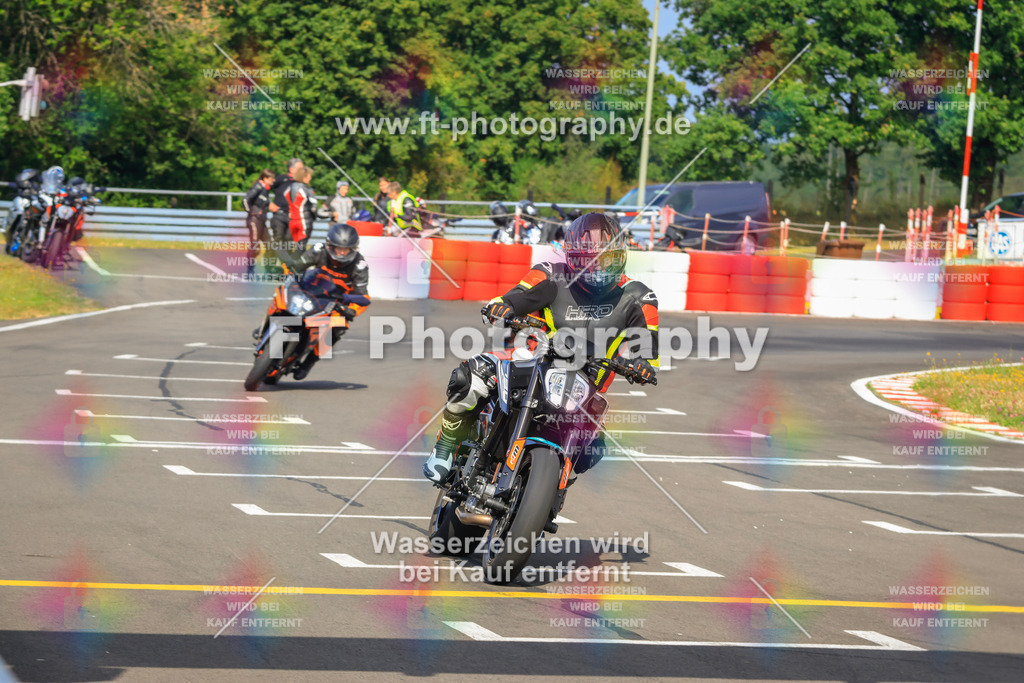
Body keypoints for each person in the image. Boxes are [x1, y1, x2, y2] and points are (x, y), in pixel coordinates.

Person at [422, 212, 659, 484]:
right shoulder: (550, 273)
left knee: (593, 450)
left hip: (588, 385)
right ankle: (446, 447)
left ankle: (548, 496)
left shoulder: (640, 296)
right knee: (471, 376)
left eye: (606, 259)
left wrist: (642, 364)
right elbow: (514, 298)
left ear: (621, 256)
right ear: (572, 255)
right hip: (533, 362)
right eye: (588, 260)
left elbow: (647, 344)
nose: (597, 268)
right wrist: (502, 308)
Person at [272, 223, 371, 380]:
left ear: (353, 249)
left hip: (337, 301)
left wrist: (351, 310)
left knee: (338, 327)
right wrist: (291, 272)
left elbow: (363, 296)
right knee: (282, 292)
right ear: (330, 245)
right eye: (339, 248)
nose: (342, 253)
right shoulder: (319, 250)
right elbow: (299, 267)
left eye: (346, 249)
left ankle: (309, 361)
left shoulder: (359, 265)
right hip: (311, 290)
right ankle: (265, 325)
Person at [242, 169, 274, 276]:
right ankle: (250, 271)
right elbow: (245, 200)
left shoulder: (266, 189)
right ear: (265, 179)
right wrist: (251, 211)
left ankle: (268, 269)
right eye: (271, 179)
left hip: (262, 221)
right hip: (255, 220)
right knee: (254, 246)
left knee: (270, 244)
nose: (273, 181)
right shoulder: (258, 187)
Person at [269, 158, 303, 250]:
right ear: (292, 169)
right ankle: (270, 263)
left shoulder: (301, 183)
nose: (303, 171)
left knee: (289, 242)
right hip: (279, 215)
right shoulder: (281, 179)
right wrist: (269, 203)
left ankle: (286, 264)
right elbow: (265, 188)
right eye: (300, 168)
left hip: (293, 218)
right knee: (278, 240)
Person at [285, 166, 318, 252]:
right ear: (304, 177)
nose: (310, 178)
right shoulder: (307, 189)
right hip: (304, 222)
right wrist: (315, 217)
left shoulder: (289, 187)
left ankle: (286, 264)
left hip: (291, 221)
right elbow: (314, 207)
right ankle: (293, 265)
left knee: (288, 246)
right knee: (300, 248)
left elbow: (285, 200)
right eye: (309, 176)